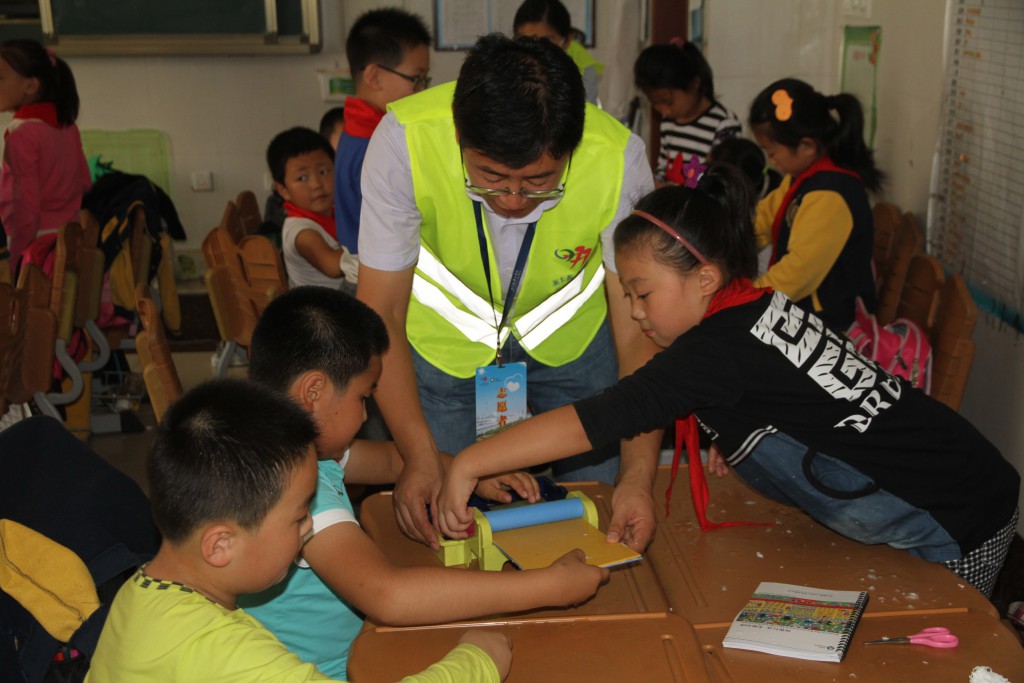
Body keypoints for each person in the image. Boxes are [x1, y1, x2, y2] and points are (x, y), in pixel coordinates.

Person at [435, 167, 1021, 599]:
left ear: (706, 278)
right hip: (962, 475)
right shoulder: (753, 308)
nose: (636, 313)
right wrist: (741, 429)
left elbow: (605, 415)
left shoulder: (716, 349)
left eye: (643, 293)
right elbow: (804, 392)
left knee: (946, 637)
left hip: (957, 514)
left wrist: (469, 463)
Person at [357, 33, 659, 551]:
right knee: (456, 523)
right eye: (491, 177)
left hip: (576, 352)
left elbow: (639, 330)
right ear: (459, 136)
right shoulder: (404, 141)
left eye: (541, 180)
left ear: (572, 147)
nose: (515, 199)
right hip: (444, 356)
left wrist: (638, 478)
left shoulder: (618, 160)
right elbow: (380, 309)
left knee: (603, 511)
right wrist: (416, 454)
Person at [239, 286, 608, 679]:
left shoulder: (274, 442)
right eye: (364, 398)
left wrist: (472, 470)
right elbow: (388, 595)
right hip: (334, 669)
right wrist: (547, 586)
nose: (366, 416)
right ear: (314, 391)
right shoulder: (293, 485)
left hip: (357, 645)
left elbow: (392, 460)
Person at [86, 378, 512, 682]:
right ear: (220, 544)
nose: (310, 525)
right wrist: (479, 660)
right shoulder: (221, 651)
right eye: (298, 517)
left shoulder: (142, 594)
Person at [749, 78, 883, 329]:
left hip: (831, 328)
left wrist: (745, 300)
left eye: (772, 152)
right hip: (803, 312)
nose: (771, 161)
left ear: (807, 146)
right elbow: (763, 219)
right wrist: (725, 247)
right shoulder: (801, 176)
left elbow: (797, 274)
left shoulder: (830, 195)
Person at [334, 8, 431, 288]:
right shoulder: (374, 145)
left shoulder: (355, 128)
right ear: (375, 77)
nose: (422, 90)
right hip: (373, 283)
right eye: (416, 79)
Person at [0, 39, 90, 279]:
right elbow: (84, 181)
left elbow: (24, 210)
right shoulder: (67, 127)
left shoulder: (21, 134)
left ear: (30, 86)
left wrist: (11, 262)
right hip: (69, 243)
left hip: (35, 254)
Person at [634, 39, 740, 185]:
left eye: (668, 101)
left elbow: (722, 184)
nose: (662, 110)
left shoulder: (724, 124)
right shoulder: (668, 122)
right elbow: (663, 170)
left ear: (694, 84)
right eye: (654, 103)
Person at [267, 126, 350, 292]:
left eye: (323, 171)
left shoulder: (332, 212)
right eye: (302, 178)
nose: (316, 185)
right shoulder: (302, 232)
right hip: (319, 315)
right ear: (283, 190)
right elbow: (334, 266)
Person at [513, 0, 603, 105]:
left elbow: (588, 117)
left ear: (567, 41)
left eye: (545, 42)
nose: (535, 49)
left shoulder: (584, 68)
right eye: (526, 41)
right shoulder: (506, 61)